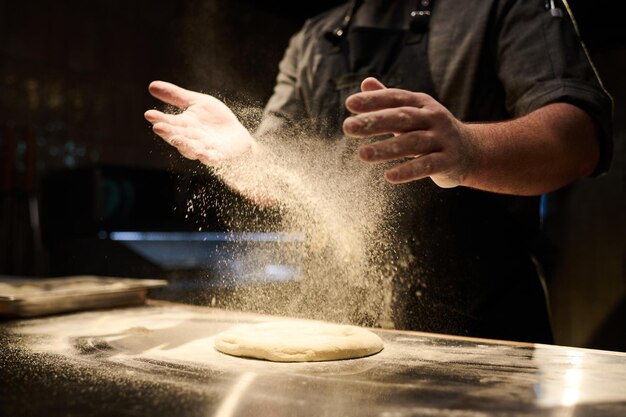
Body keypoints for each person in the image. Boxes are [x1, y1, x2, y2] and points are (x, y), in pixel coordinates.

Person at [144, 0, 613, 343]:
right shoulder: (314, 37)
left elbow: (579, 139)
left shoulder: (499, 7)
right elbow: (278, 183)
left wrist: (467, 151)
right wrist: (246, 160)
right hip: (346, 330)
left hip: (487, 330)